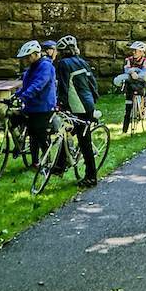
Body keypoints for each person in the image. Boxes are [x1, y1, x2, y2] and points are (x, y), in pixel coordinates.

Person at [55, 35, 99, 187]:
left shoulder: (63, 64)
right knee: (69, 131)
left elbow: (63, 86)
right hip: (88, 104)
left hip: (77, 106)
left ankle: (91, 177)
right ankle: (59, 166)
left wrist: (61, 104)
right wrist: (94, 100)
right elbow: (92, 82)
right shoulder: (82, 62)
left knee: (84, 142)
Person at [14, 40, 56, 166]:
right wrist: (16, 95)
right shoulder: (30, 69)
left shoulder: (46, 66)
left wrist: (24, 97)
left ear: (35, 54)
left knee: (41, 135)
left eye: (27, 57)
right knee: (32, 136)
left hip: (43, 106)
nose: (25, 60)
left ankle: (47, 161)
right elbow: (27, 86)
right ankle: (35, 162)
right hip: (31, 107)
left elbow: (38, 85)